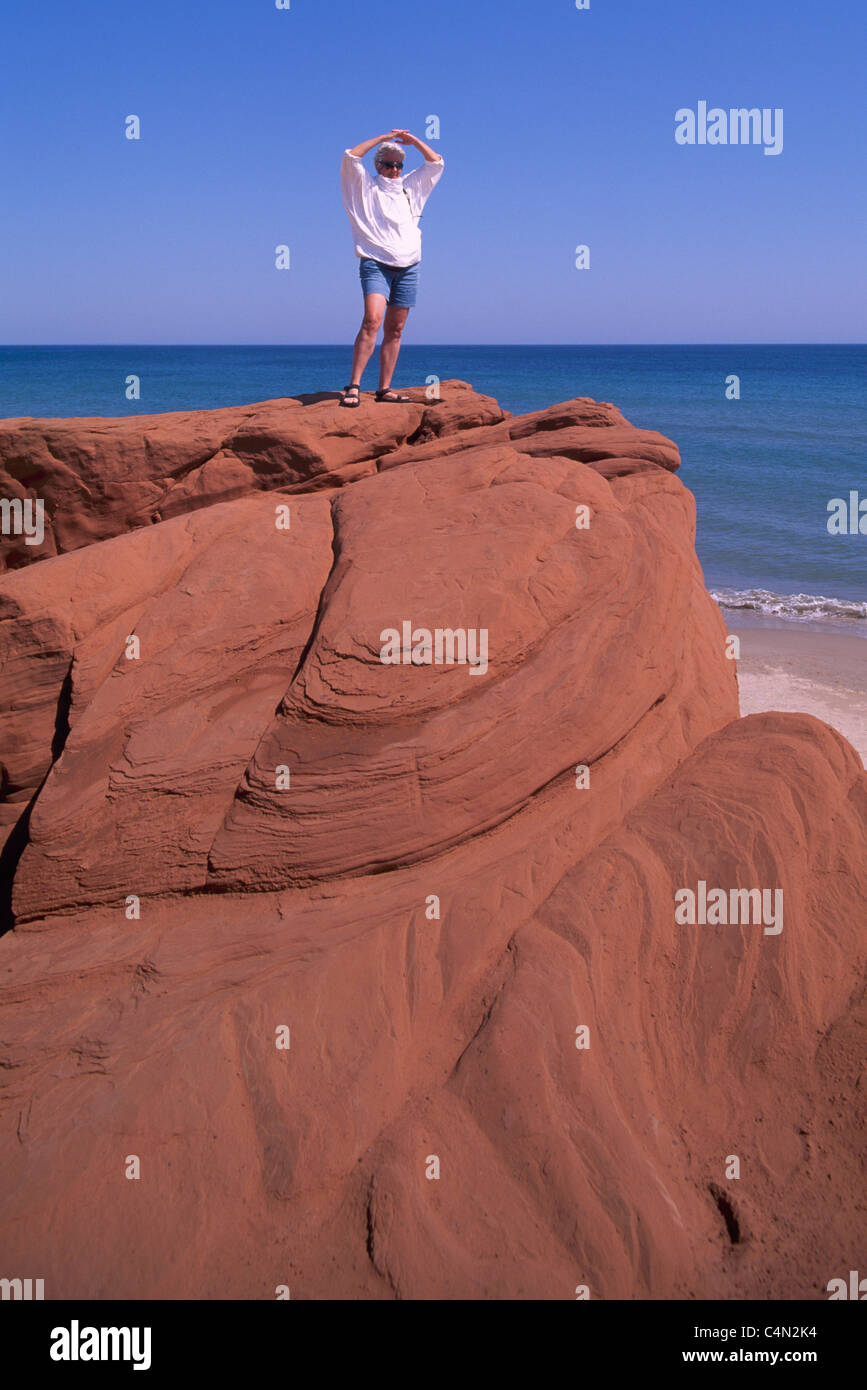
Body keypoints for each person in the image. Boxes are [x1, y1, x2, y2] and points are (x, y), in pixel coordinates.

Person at [339, 128, 444, 406]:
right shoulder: (364, 186)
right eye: (388, 163)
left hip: (409, 265)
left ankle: (384, 389)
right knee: (372, 320)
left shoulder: (411, 187)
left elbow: (436, 163)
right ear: (378, 165)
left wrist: (415, 142)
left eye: (398, 164)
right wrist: (383, 137)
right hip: (375, 262)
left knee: (395, 330)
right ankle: (354, 386)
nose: (395, 169)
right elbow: (350, 156)